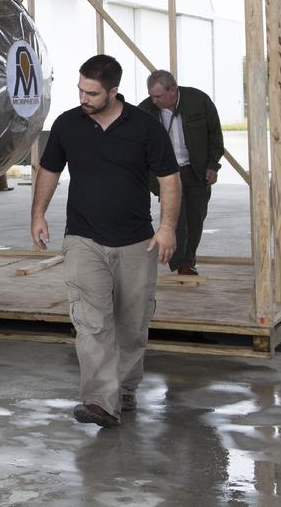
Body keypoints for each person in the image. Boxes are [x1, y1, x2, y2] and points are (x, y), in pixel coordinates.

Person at [30, 54, 181, 429]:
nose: (83, 98)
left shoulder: (144, 127)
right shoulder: (67, 124)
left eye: (92, 93)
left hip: (136, 242)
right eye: (80, 90)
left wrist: (167, 227)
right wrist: (38, 214)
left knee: (132, 323)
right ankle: (100, 401)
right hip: (83, 239)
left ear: (114, 92)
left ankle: (125, 388)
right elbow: (49, 169)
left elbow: (169, 178)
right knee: (92, 323)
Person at [138, 70, 225, 276]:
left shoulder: (199, 101)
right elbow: (139, 150)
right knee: (176, 219)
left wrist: (212, 165)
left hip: (196, 171)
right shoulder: (144, 110)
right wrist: (152, 182)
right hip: (166, 175)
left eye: (158, 96)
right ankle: (182, 265)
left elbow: (215, 136)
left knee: (196, 218)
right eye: (151, 96)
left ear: (173, 90)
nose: (154, 100)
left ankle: (189, 259)